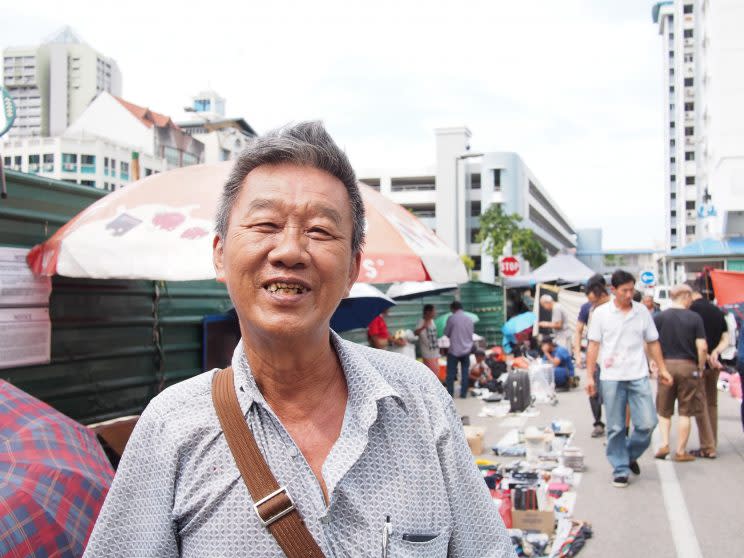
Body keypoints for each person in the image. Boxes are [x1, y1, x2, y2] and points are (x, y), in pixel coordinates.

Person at [82, 122, 513, 557]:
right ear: (219, 254)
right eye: (266, 224)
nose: (289, 251)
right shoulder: (171, 428)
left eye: (320, 231)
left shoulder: (420, 401)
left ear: (352, 269)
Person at [586, 269, 673, 488]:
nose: (629, 294)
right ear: (613, 290)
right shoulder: (601, 314)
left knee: (648, 423)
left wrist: (662, 368)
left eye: (632, 290)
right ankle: (621, 468)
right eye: (624, 290)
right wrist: (589, 376)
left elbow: (653, 341)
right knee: (615, 427)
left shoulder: (642, 311)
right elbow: (593, 345)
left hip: (638, 374)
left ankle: (628, 454)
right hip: (611, 376)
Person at [653, 284, 708, 462]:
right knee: (685, 411)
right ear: (684, 296)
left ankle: (664, 443)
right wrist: (700, 367)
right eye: (690, 296)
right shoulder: (695, 318)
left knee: (664, 409)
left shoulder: (660, 317)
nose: (692, 300)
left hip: (666, 366)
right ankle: (681, 451)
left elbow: (651, 343)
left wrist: (654, 362)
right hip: (687, 366)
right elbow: (702, 347)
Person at [689, 280, 729, 458]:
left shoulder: (690, 312)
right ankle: (713, 441)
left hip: (698, 364)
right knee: (712, 403)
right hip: (715, 364)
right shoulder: (717, 311)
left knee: (701, 405)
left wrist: (703, 358)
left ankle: (707, 446)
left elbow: (695, 341)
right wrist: (715, 353)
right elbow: (726, 338)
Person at [574, 274, 609, 438]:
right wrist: (577, 354)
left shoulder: (614, 306)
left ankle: (619, 427)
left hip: (611, 357)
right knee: (593, 390)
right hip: (594, 355)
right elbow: (579, 330)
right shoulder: (587, 308)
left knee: (612, 393)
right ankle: (598, 423)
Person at [444, 300, 475, 398]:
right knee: (465, 372)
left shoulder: (451, 318)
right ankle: (463, 394)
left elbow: (446, 333)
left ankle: (450, 394)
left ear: (453, 309)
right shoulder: (469, 319)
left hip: (454, 350)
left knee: (451, 373)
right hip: (466, 350)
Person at [415, 304, 440, 375]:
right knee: (433, 373)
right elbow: (415, 333)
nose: (435, 312)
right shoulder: (421, 321)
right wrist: (423, 327)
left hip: (435, 351)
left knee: (436, 372)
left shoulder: (432, 321)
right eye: (433, 311)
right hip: (427, 353)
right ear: (428, 312)